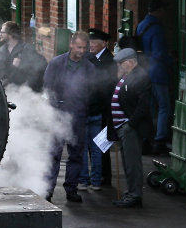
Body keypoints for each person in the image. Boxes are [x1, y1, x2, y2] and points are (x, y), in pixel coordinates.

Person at [42, 31, 95, 203]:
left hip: (78, 116)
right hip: (58, 114)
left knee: (76, 155)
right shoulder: (56, 63)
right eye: (79, 47)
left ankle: (71, 189)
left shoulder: (89, 68)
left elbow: (91, 93)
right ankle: (48, 190)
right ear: (71, 45)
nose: (81, 50)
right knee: (54, 154)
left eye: (84, 48)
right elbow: (47, 88)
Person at [106, 47, 154, 208]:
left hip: (131, 128)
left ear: (131, 62)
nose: (119, 66)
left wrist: (130, 124)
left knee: (132, 163)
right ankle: (131, 193)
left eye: (121, 63)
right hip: (124, 127)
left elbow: (143, 106)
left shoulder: (141, 78)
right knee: (128, 162)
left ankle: (134, 195)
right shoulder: (128, 75)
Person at [136, 0, 172, 153]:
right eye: (163, 10)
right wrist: (172, 60)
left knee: (148, 107)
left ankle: (145, 139)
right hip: (157, 73)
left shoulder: (141, 25)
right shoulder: (157, 28)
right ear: (158, 11)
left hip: (143, 72)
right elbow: (159, 53)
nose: (165, 13)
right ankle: (160, 140)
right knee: (164, 107)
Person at [81, 28, 115, 190]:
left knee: (101, 145)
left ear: (104, 44)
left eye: (95, 42)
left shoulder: (109, 61)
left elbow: (108, 87)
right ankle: (89, 177)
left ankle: (103, 176)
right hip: (88, 107)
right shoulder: (87, 57)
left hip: (101, 108)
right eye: (90, 42)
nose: (91, 45)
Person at [0, 20, 46, 91]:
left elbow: (40, 70)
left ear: (10, 34)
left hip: (23, 95)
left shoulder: (27, 49)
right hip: (4, 94)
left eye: (2, 32)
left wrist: (27, 87)